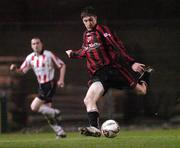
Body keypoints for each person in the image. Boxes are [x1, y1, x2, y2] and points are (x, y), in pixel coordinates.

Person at [66, 6, 153, 137]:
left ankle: (145, 74)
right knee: (88, 100)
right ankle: (95, 128)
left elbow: (117, 46)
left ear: (96, 18)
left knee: (142, 91)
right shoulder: (86, 35)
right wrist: (73, 54)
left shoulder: (103, 30)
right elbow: (84, 51)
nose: (88, 23)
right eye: (85, 20)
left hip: (112, 70)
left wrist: (131, 62)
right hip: (98, 75)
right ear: (82, 21)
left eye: (91, 19)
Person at [10, 37, 66, 139]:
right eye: (34, 44)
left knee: (34, 107)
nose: (36, 45)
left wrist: (61, 80)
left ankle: (56, 112)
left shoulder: (48, 54)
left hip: (49, 84)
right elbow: (22, 71)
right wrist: (15, 69)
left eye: (37, 43)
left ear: (41, 44)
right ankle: (60, 132)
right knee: (47, 112)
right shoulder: (30, 57)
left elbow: (62, 65)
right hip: (41, 86)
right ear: (31, 46)